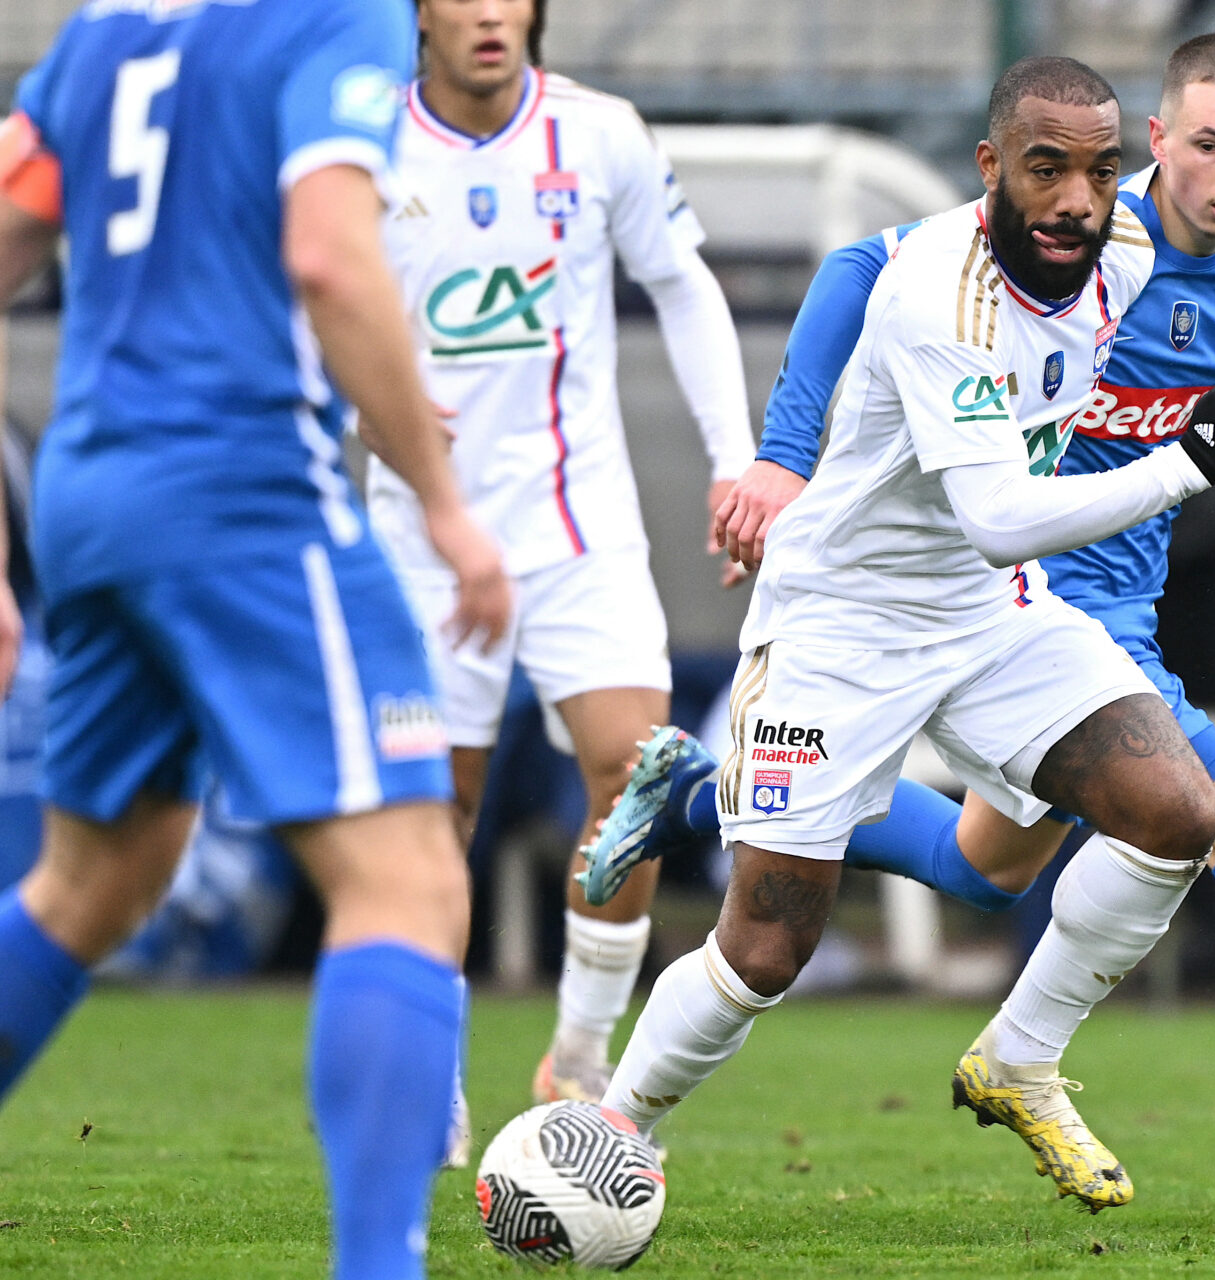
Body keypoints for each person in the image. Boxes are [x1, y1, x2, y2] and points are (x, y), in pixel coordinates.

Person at [590, 34, 1215, 1225]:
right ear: (1158, 142)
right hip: (947, 594)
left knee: (1018, 865)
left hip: (1034, 609)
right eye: (1208, 144)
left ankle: (713, 800)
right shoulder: (1023, 247)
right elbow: (867, 282)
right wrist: (784, 456)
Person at [0, 0, 510, 1276]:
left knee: (93, 881)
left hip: (88, 502)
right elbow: (333, 258)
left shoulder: (105, 38)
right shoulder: (327, 21)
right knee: (406, 875)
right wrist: (445, 508)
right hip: (244, 493)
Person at [593, 53, 1215, 1213]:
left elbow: (1008, 516)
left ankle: (1019, 1056)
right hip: (843, 628)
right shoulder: (937, 296)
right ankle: (614, 1127)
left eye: (1100, 171)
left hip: (986, 614)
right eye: (1046, 168)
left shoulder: (1121, 249)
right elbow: (1003, 516)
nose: (1075, 197)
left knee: (1173, 812)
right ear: (990, 169)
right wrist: (1188, 463)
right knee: (766, 948)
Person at [364, 0, 753, 1114]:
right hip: (424, 540)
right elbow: (311, 306)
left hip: (576, 524)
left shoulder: (599, 133)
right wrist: (374, 402)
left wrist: (735, 457)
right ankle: (432, 1080)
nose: (489, 13)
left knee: (637, 774)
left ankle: (580, 1060)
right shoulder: (366, 140)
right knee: (436, 811)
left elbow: (682, 282)